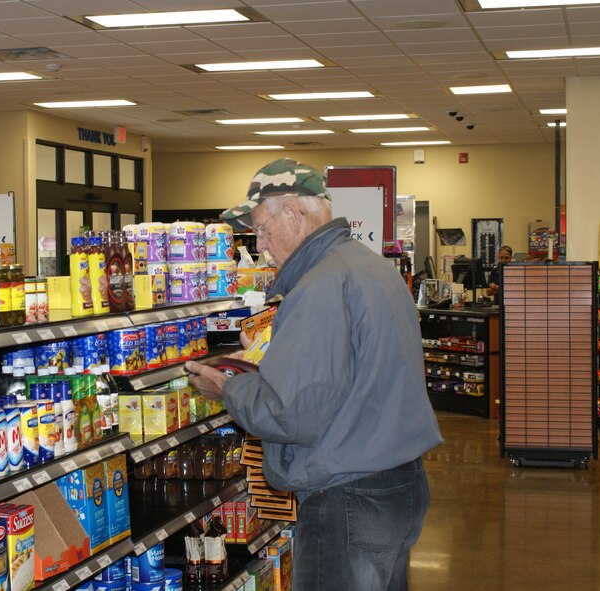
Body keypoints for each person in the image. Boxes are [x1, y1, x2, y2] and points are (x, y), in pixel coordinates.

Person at [185, 158, 443, 591]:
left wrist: (230, 386)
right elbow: (355, 377)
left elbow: (293, 415)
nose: (261, 244)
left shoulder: (320, 286)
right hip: (398, 485)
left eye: (263, 229)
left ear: (293, 214)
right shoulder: (372, 267)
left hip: (348, 498)